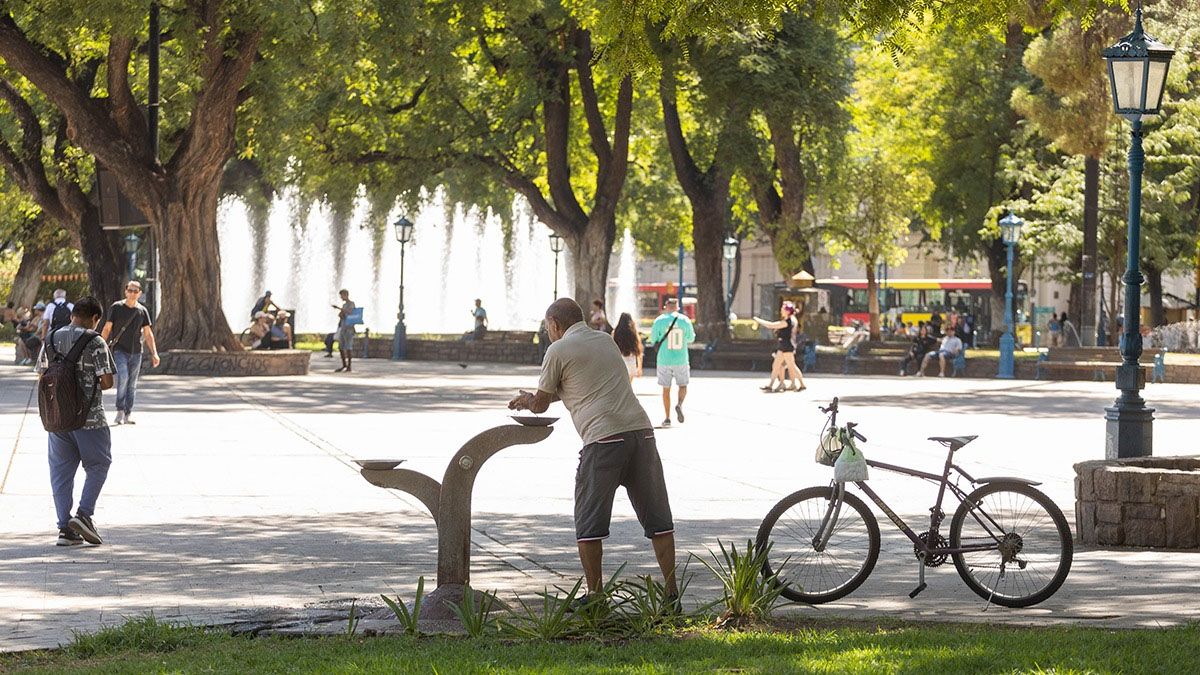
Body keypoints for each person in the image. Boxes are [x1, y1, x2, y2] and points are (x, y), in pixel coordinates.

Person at [508, 298, 677, 608]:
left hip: (602, 440)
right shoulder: (604, 341)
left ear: (555, 325)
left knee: (588, 523)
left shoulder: (557, 350)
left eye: (548, 328)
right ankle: (671, 594)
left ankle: (596, 596)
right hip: (641, 432)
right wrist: (536, 397)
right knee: (659, 519)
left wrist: (529, 400)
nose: (548, 334)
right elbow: (585, 384)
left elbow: (542, 403)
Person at [36, 296, 115, 546]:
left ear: (72, 315)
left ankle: (64, 530)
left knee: (60, 473)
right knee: (99, 465)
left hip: (58, 419)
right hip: (90, 419)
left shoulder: (51, 338)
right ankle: (83, 515)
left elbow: (42, 372)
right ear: (95, 319)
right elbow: (107, 382)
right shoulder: (96, 340)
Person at [100, 281, 159, 425]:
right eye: (130, 290)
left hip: (136, 352)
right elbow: (107, 328)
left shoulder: (142, 311)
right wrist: (100, 346)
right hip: (120, 350)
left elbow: (148, 333)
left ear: (139, 293)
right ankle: (120, 410)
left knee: (132, 384)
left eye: (135, 291)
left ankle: (128, 413)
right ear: (125, 291)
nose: (132, 293)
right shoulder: (117, 307)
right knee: (124, 378)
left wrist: (154, 353)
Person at [650, 298, 694, 427]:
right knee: (683, 385)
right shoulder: (685, 320)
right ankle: (679, 404)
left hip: (664, 359)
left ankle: (667, 417)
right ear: (677, 307)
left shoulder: (659, 321)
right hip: (681, 358)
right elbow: (691, 338)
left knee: (666, 389)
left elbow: (653, 339)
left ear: (665, 307)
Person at [752, 302, 805, 392]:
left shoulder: (787, 321)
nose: (781, 310)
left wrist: (759, 320)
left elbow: (771, 325)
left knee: (792, 366)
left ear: (787, 311)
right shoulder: (791, 319)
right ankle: (771, 384)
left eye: (783, 309)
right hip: (783, 345)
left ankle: (801, 384)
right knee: (776, 365)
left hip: (787, 346)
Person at [611, 312, 643, 383]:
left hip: (619, 362)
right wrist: (639, 367)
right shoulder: (633, 332)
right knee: (629, 386)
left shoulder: (615, 333)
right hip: (631, 362)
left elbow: (612, 349)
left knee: (620, 386)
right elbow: (638, 351)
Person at [334, 289, 356, 372]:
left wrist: (340, 309)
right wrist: (340, 313)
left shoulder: (351, 304)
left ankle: (349, 366)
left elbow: (351, 312)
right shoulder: (344, 305)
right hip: (343, 327)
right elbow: (343, 315)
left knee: (348, 347)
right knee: (341, 347)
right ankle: (344, 365)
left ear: (346, 295)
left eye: (342, 295)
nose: (341, 297)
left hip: (349, 328)